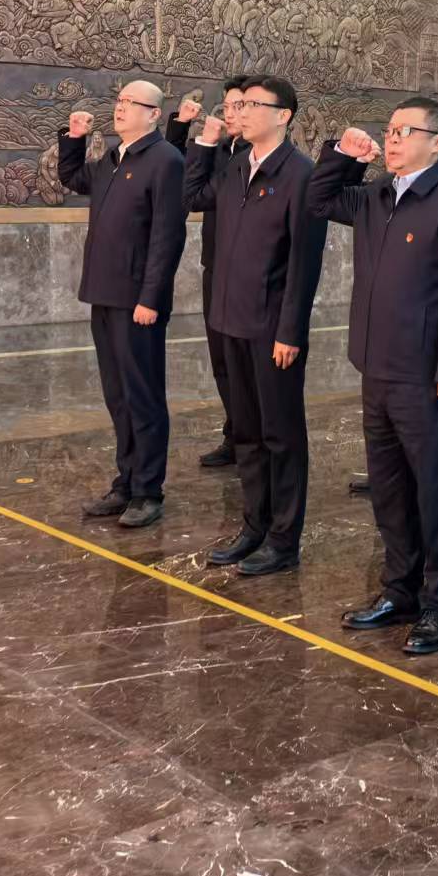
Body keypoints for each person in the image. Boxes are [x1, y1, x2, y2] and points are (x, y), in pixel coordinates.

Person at [308, 96, 438, 655]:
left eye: (405, 131)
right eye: (389, 130)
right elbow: (317, 199)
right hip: (377, 367)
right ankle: (399, 590)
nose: (392, 139)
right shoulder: (376, 196)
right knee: (389, 490)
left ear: (437, 143)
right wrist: (344, 155)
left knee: (435, 493)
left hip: (427, 376)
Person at [182, 76, 327, 574]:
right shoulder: (235, 166)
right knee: (245, 431)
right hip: (230, 319)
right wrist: (205, 144)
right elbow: (192, 196)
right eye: (238, 104)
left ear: (283, 115)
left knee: (280, 434)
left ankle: (283, 540)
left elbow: (304, 263)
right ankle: (254, 526)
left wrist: (290, 331)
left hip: (272, 327)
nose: (240, 112)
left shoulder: (301, 175)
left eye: (251, 105)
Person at [59, 79, 187, 529]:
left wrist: (150, 297)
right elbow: (75, 179)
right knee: (118, 396)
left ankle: (149, 490)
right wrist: (74, 138)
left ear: (154, 114)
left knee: (143, 395)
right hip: (104, 293)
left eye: (132, 102)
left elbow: (168, 235)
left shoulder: (166, 160)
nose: (121, 107)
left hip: (137, 302)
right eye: (119, 100)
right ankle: (126, 481)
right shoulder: (115, 159)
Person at [165, 77, 249, 469]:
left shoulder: (252, 157)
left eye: (238, 106)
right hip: (215, 266)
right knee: (221, 361)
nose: (229, 114)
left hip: (246, 276)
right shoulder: (224, 149)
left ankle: (250, 438)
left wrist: (207, 146)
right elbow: (180, 174)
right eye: (226, 106)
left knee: (243, 364)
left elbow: (197, 193)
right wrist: (183, 127)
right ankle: (236, 434)